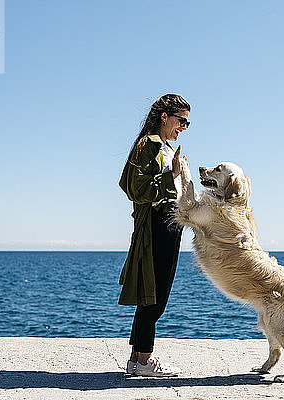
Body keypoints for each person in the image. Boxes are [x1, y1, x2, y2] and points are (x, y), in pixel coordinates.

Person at [118, 94, 191, 377]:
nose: (183, 127)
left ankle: (137, 359)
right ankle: (146, 360)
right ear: (165, 116)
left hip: (163, 225)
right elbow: (134, 189)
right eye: (180, 120)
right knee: (155, 295)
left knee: (151, 294)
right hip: (158, 226)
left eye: (187, 123)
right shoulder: (150, 144)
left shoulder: (160, 145)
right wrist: (172, 173)